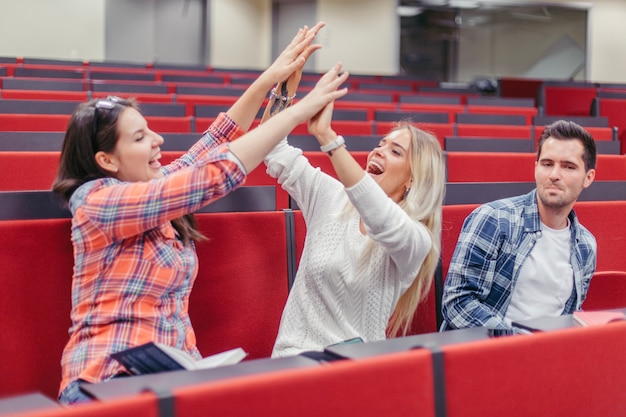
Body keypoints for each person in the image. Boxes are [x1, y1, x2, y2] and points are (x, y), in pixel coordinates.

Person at [53, 23, 349, 404]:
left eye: (150, 131)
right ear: (106, 159)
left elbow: (215, 142)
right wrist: (297, 113)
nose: (158, 140)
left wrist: (272, 79)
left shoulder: (151, 190)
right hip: (105, 383)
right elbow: (215, 174)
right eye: (140, 137)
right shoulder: (96, 202)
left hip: (168, 381)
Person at [261, 71, 446, 358]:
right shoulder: (332, 198)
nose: (378, 151)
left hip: (357, 368)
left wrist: (328, 137)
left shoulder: (416, 239)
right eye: (381, 144)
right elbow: (272, 147)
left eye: (395, 151)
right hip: (294, 359)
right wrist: (285, 91)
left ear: (413, 180)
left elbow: (381, 219)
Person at [440, 120, 597, 335]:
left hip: (549, 354)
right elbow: (457, 303)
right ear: (536, 168)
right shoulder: (494, 220)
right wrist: (520, 341)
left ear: (588, 178)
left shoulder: (586, 245)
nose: (554, 175)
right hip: (487, 353)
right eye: (547, 164)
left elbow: (570, 313)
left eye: (568, 167)